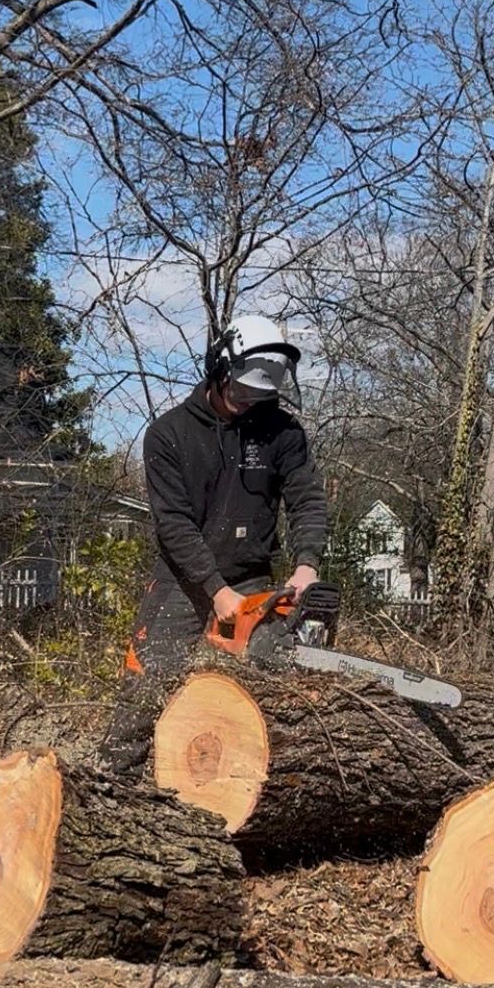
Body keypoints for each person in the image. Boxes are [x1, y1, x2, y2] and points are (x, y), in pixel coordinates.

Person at [101, 313, 328, 772]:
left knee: (265, 684)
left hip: (253, 575)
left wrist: (307, 563)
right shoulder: (170, 434)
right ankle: (115, 780)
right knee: (148, 680)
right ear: (220, 371)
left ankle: (242, 783)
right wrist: (215, 589)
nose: (247, 404)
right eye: (240, 393)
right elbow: (174, 524)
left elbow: (306, 499)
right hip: (183, 578)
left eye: (257, 397)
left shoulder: (281, 432)